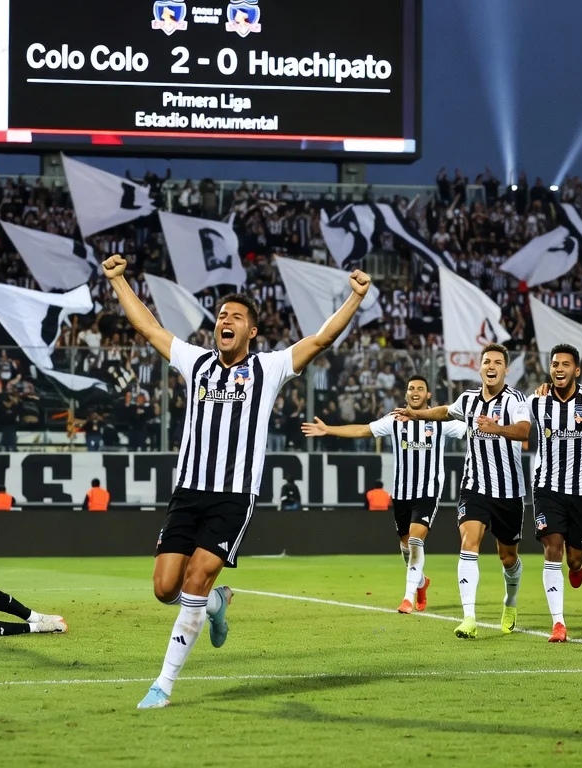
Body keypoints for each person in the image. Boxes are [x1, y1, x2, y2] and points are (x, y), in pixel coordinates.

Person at [100, 252, 371, 709]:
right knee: (165, 588)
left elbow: (321, 340)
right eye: (222, 315)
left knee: (197, 580)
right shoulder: (196, 362)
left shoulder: (268, 368)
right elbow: (149, 328)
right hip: (188, 492)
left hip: (233, 496)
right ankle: (217, 606)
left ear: (252, 331)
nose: (225, 320)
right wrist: (119, 281)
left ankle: (162, 684)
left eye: (236, 317)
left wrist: (355, 297)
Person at [392, 344, 530, 638]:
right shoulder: (468, 400)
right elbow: (446, 412)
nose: (491, 367)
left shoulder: (516, 399)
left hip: (509, 492)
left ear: (506, 369)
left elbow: (524, 430)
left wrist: (497, 429)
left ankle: (510, 602)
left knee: (508, 558)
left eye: (497, 362)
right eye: (486, 362)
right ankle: (469, 618)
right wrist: (417, 414)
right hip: (474, 488)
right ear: (480, 368)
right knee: (468, 543)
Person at [303, 375, 467, 613]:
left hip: (428, 491)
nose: (415, 392)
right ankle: (420, 582)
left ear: (428, 395)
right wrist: (328, 429)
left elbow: (471, 430)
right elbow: (362, 430)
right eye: (411, 388)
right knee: (405, 545)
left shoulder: (440, 421)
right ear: (406, 394)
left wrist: (499, 430)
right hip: (401, 493)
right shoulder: (394, 420)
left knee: (415, 539)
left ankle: (408, 598)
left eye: (420, 388)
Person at [528, 344, 582, 643]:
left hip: (580, 492)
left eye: (566, 365)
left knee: (574, 558)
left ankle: (578, 564)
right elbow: (515, 415)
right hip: (546, 488)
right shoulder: (537, 401)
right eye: (555, 364)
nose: (559, 369)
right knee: (552, 549)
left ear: (576, 370)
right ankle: (558, 623)